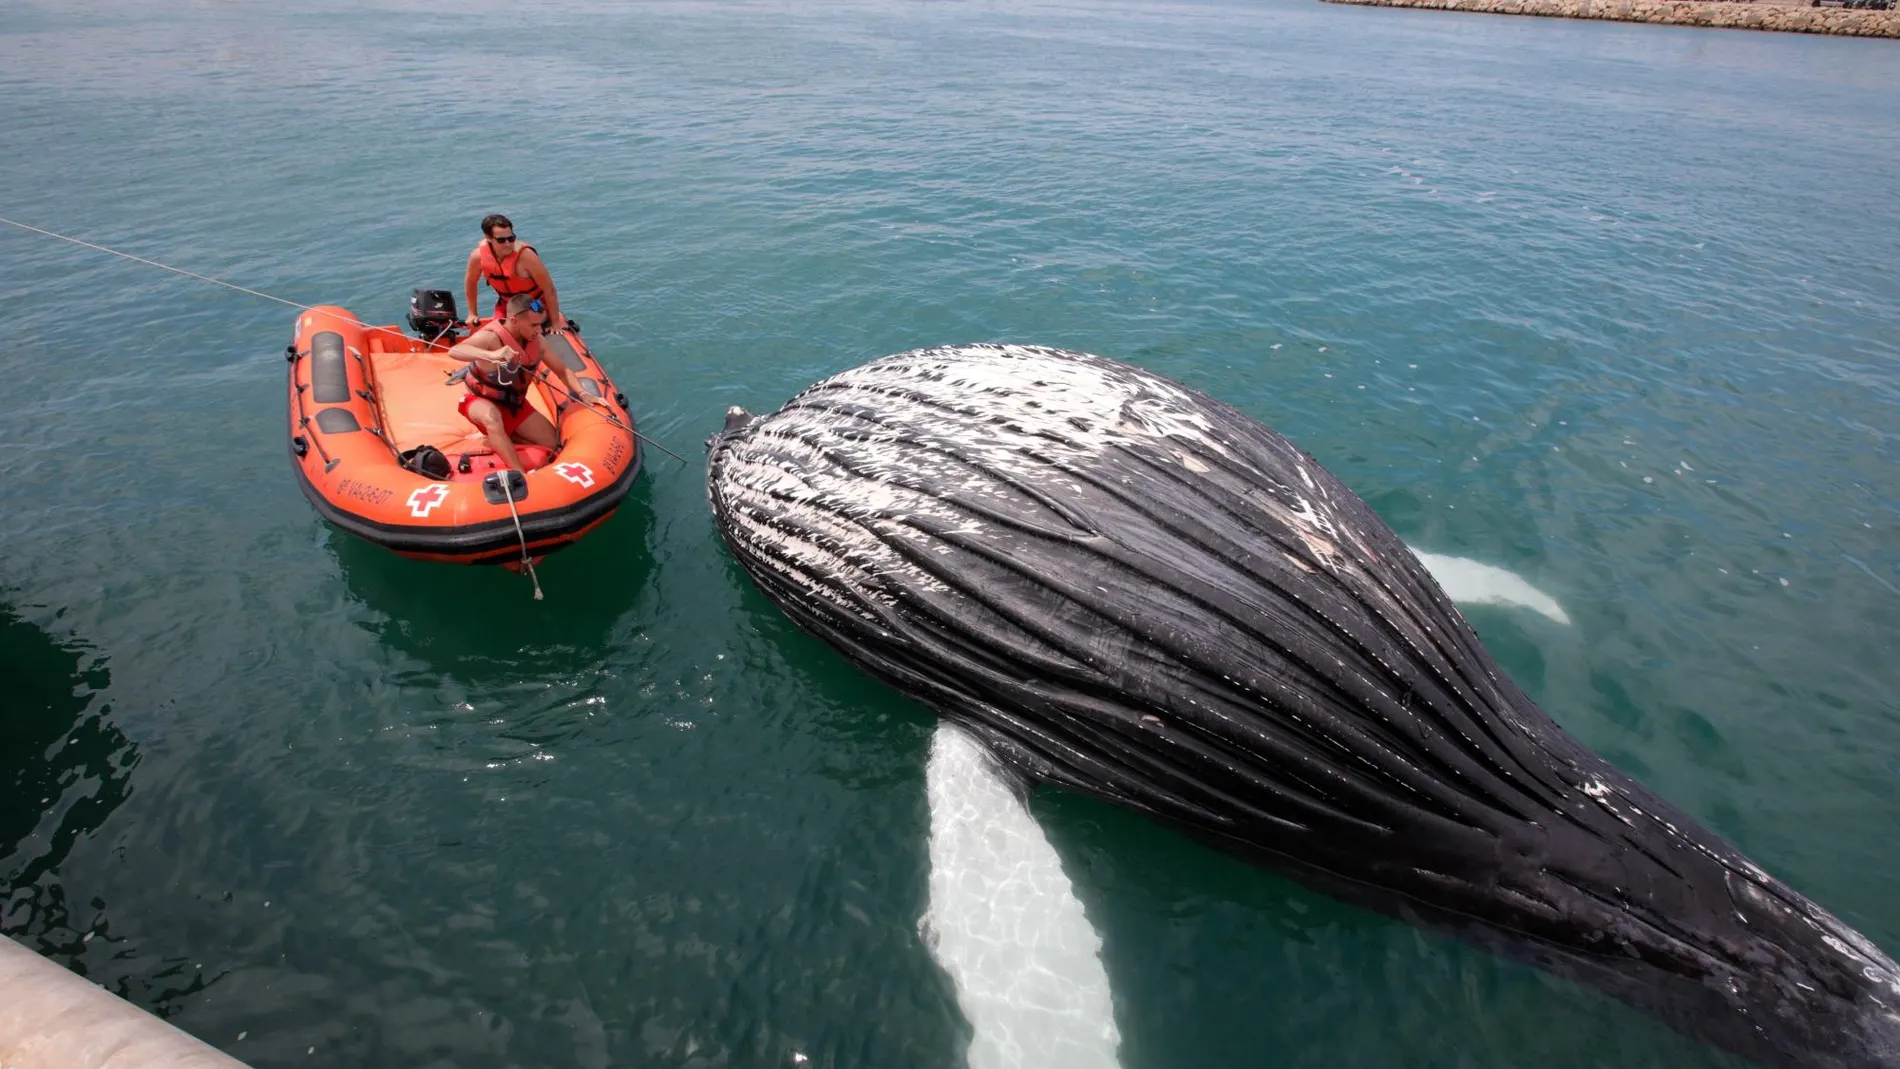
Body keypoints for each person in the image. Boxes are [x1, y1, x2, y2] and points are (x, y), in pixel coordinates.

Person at [446, 293, 607, 473]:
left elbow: (563, 371)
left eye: (540, 324)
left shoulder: (538, 342)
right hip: (478, 400)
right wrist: (492, 355)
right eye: (533, 325)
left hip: (514, 405)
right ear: (514, 320)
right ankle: (520, 473)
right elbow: (455, 350)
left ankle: (501, 438)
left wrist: (583, 393)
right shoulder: (491, 337)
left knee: (553, 444)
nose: (539, 330)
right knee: (492, 418)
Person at [462, 213, 563, 329]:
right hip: (507, 305)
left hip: (535, 304)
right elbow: (471, 281)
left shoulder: (526, 256)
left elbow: (549, 289)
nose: (508, 244)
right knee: (495, 331)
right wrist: (472, 313)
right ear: (488, 238)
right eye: (501, 240)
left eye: (511, 238)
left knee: (525, 325)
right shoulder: (477, 257)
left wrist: (555, 323)